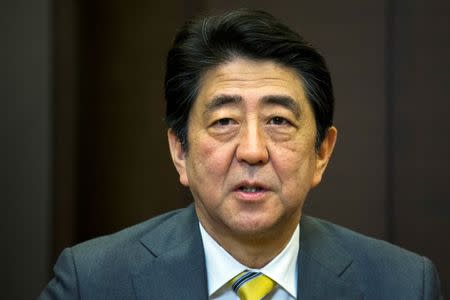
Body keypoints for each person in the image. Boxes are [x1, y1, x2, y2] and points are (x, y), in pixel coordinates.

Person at [39, 9, 442, 299]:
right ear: (180, 150)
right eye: (225, 121)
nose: (252, 151)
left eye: (279, 121)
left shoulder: (403, 284)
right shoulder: (92, 281)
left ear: (322, 152)